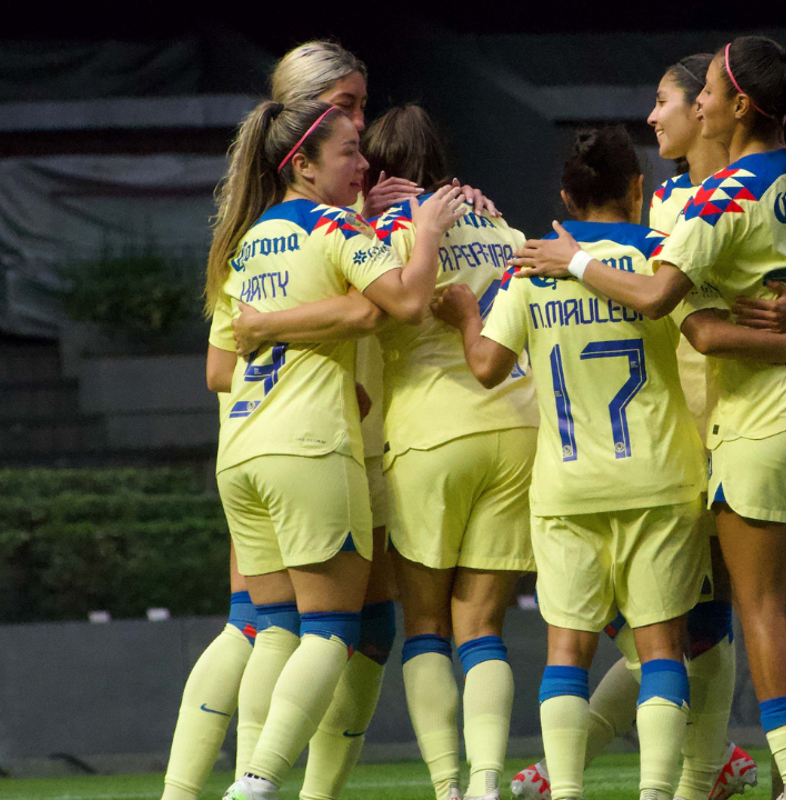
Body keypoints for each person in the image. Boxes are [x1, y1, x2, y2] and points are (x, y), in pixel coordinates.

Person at [509, 37, 786, 800]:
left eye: (675, 99)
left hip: (740, 425)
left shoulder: (704, 204)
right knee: (711, 623)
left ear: (725, 106)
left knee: (713, 621)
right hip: (770, 413)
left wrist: (569, 262)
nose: (667, 112)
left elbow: (681, 315)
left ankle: (752, 776)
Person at [438, 125, 786, 800]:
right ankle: (659, 794)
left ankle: (564, 791)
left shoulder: (531, 268)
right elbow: (711, 336)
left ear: (567, 196)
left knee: (567, 653)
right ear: (639, 190)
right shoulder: (661, 257)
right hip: (659, 481)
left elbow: (485, 367)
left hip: (567, 487)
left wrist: (462, 316)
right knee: (661, 652)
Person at [238, 103, 538, 800]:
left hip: (428, 433)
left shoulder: (370, 234)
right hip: (516, 425)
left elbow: (364, 307)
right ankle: (490, 781)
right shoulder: (501, 226)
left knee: (426, 627)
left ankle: (448, 788)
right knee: (485, 627)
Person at [206, 98, 465, 800]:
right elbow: (407, 302)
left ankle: (218, 783)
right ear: (305, 164)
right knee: (330, 631)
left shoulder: (248, 239)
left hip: (242, 453)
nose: (362, 165)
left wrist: (286, 329)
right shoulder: (331, 225)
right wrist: (427, 231)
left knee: (273, 631)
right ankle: (257, 784)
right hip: (310, 445)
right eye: (350, 151)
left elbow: (218, 369)